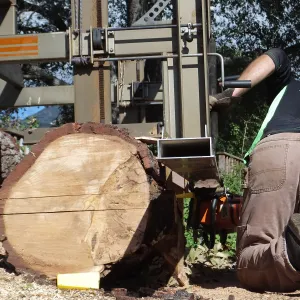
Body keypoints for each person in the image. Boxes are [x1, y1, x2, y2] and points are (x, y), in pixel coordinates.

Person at [210, 48, 300, 293]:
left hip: (283, 149)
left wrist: (232, 93)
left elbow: (276, 57)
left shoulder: (291, 86)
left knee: (252, 260)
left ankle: (294, 253)